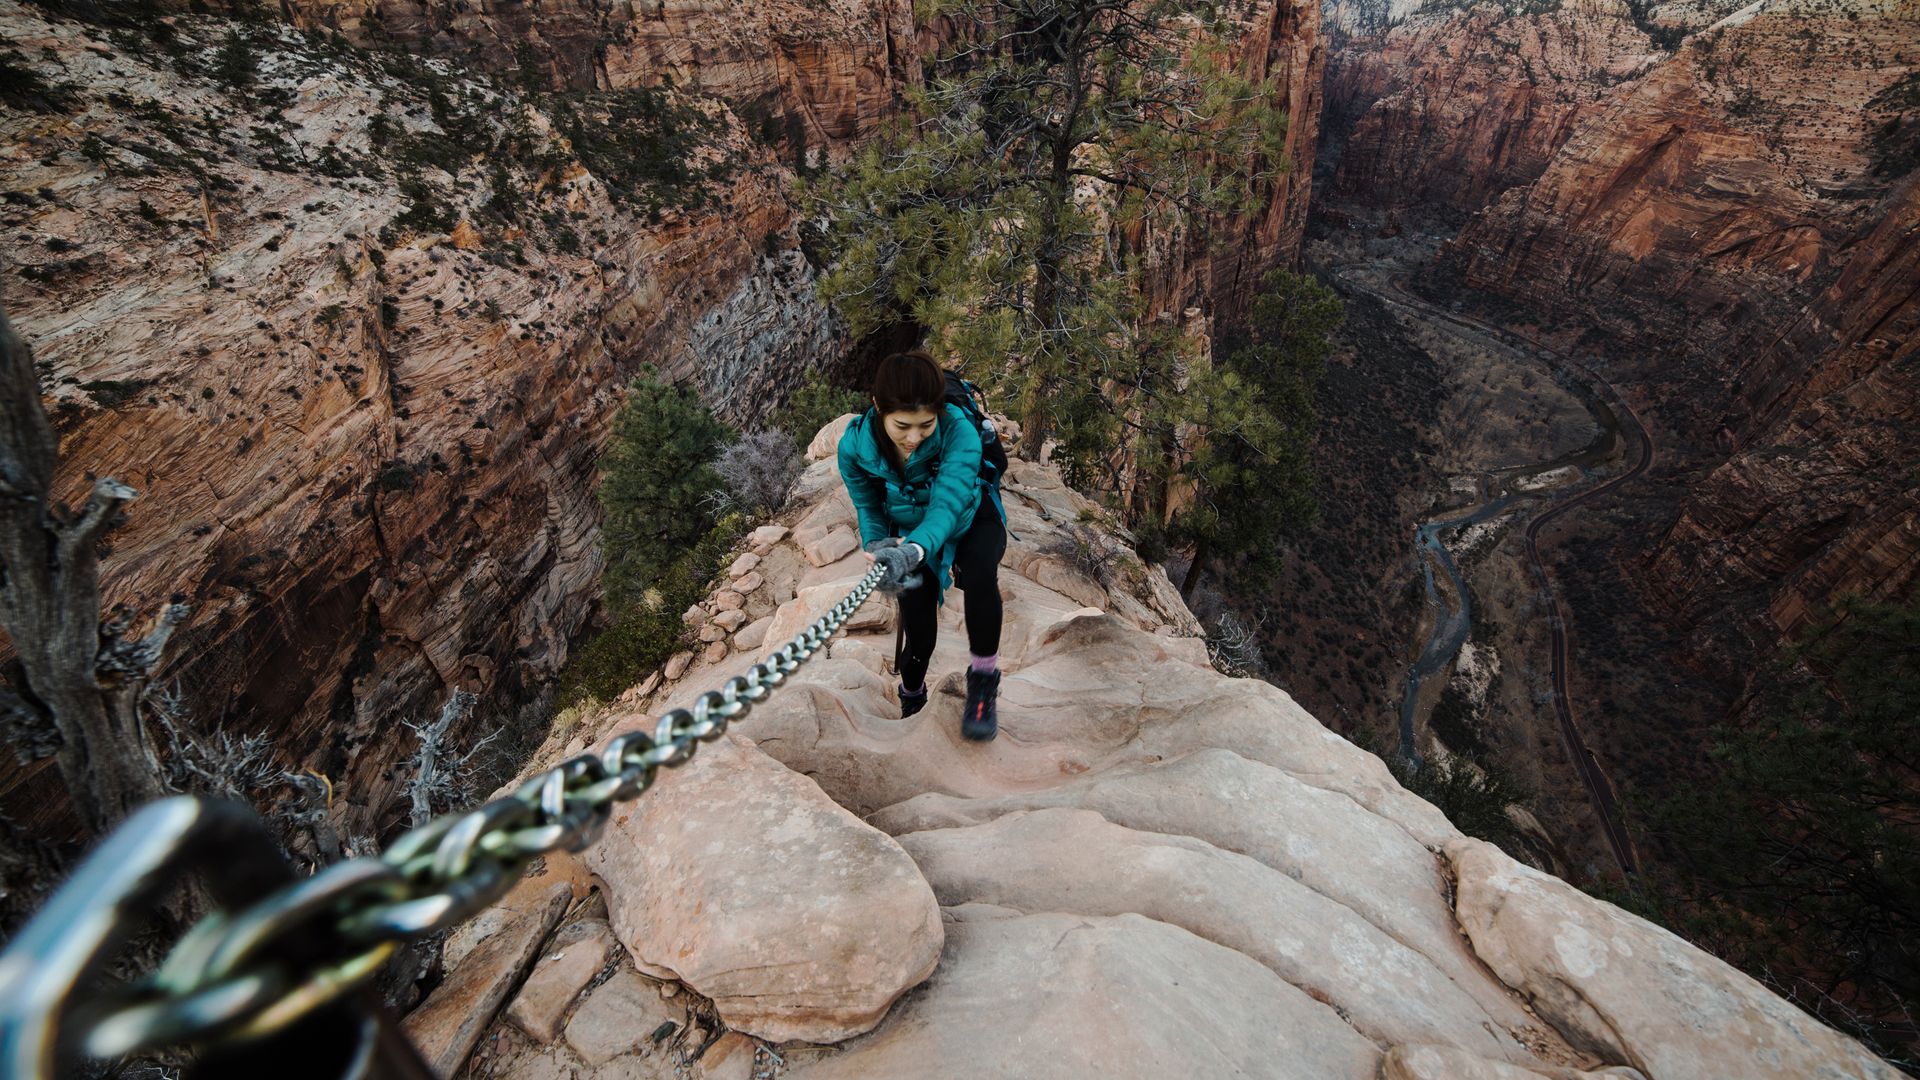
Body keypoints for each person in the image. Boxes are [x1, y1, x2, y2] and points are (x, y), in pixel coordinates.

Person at [836, 349, 1009, 740]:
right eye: (903, 426)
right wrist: (879, 547)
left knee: (981, 573)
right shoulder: (854, 448)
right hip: (906, 530)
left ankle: (982, 685)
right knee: (919, 628)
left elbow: (947, 505)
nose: (914, 438)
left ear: (939, 411)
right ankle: (911, 690)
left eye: (926, 425)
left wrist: (912, 551)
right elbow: (868, 505)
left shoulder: (960, 432)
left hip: (968, 514)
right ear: (877, 407)